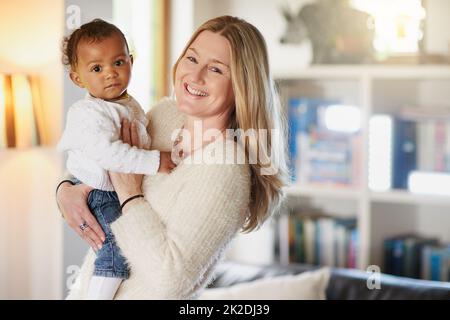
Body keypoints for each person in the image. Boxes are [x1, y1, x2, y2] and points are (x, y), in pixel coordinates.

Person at [56, 15, 289, 299]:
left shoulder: (225, 167)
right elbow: (99, 154)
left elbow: (170, 281)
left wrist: (129, 194)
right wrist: (66, 190)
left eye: (216, 69)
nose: (195, 75)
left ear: (242, 85)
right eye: (192, 59)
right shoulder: (162, 117)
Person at [57, 18, 175, 299]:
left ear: (131, 61)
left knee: (125, 249)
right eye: (97, 68)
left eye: (119, 62)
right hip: (99, 192)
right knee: (116, 250)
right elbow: (111, 155)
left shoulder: (127, 102)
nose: (110, 73)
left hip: (111, 189)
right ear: (77, 78)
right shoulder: (87, 113)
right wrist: (156, 161)